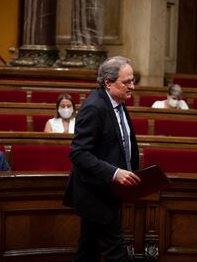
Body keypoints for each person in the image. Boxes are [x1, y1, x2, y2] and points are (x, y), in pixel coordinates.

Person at [63, 56, 141, 261]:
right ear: (108, 82)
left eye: (133, 80)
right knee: (116, 253)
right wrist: (114, 172)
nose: (132, 86)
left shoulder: (118, 102)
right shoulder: (94, 107)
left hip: (108, 192)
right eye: (127, 82)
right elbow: (79, 153)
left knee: (88, 250)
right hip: (96, 193)